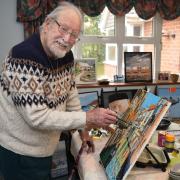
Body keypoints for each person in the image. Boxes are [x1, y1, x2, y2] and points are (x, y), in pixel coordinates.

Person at [0, 2, 117, 180]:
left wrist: (83, 129)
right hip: (20, 154)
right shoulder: (23, 56)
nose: (67, 39)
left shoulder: (66, 56)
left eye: (74, 35)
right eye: (63, 29)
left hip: (43, 150)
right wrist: (89, 118)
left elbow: (70, 95)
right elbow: (37, 117)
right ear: (47, 24)